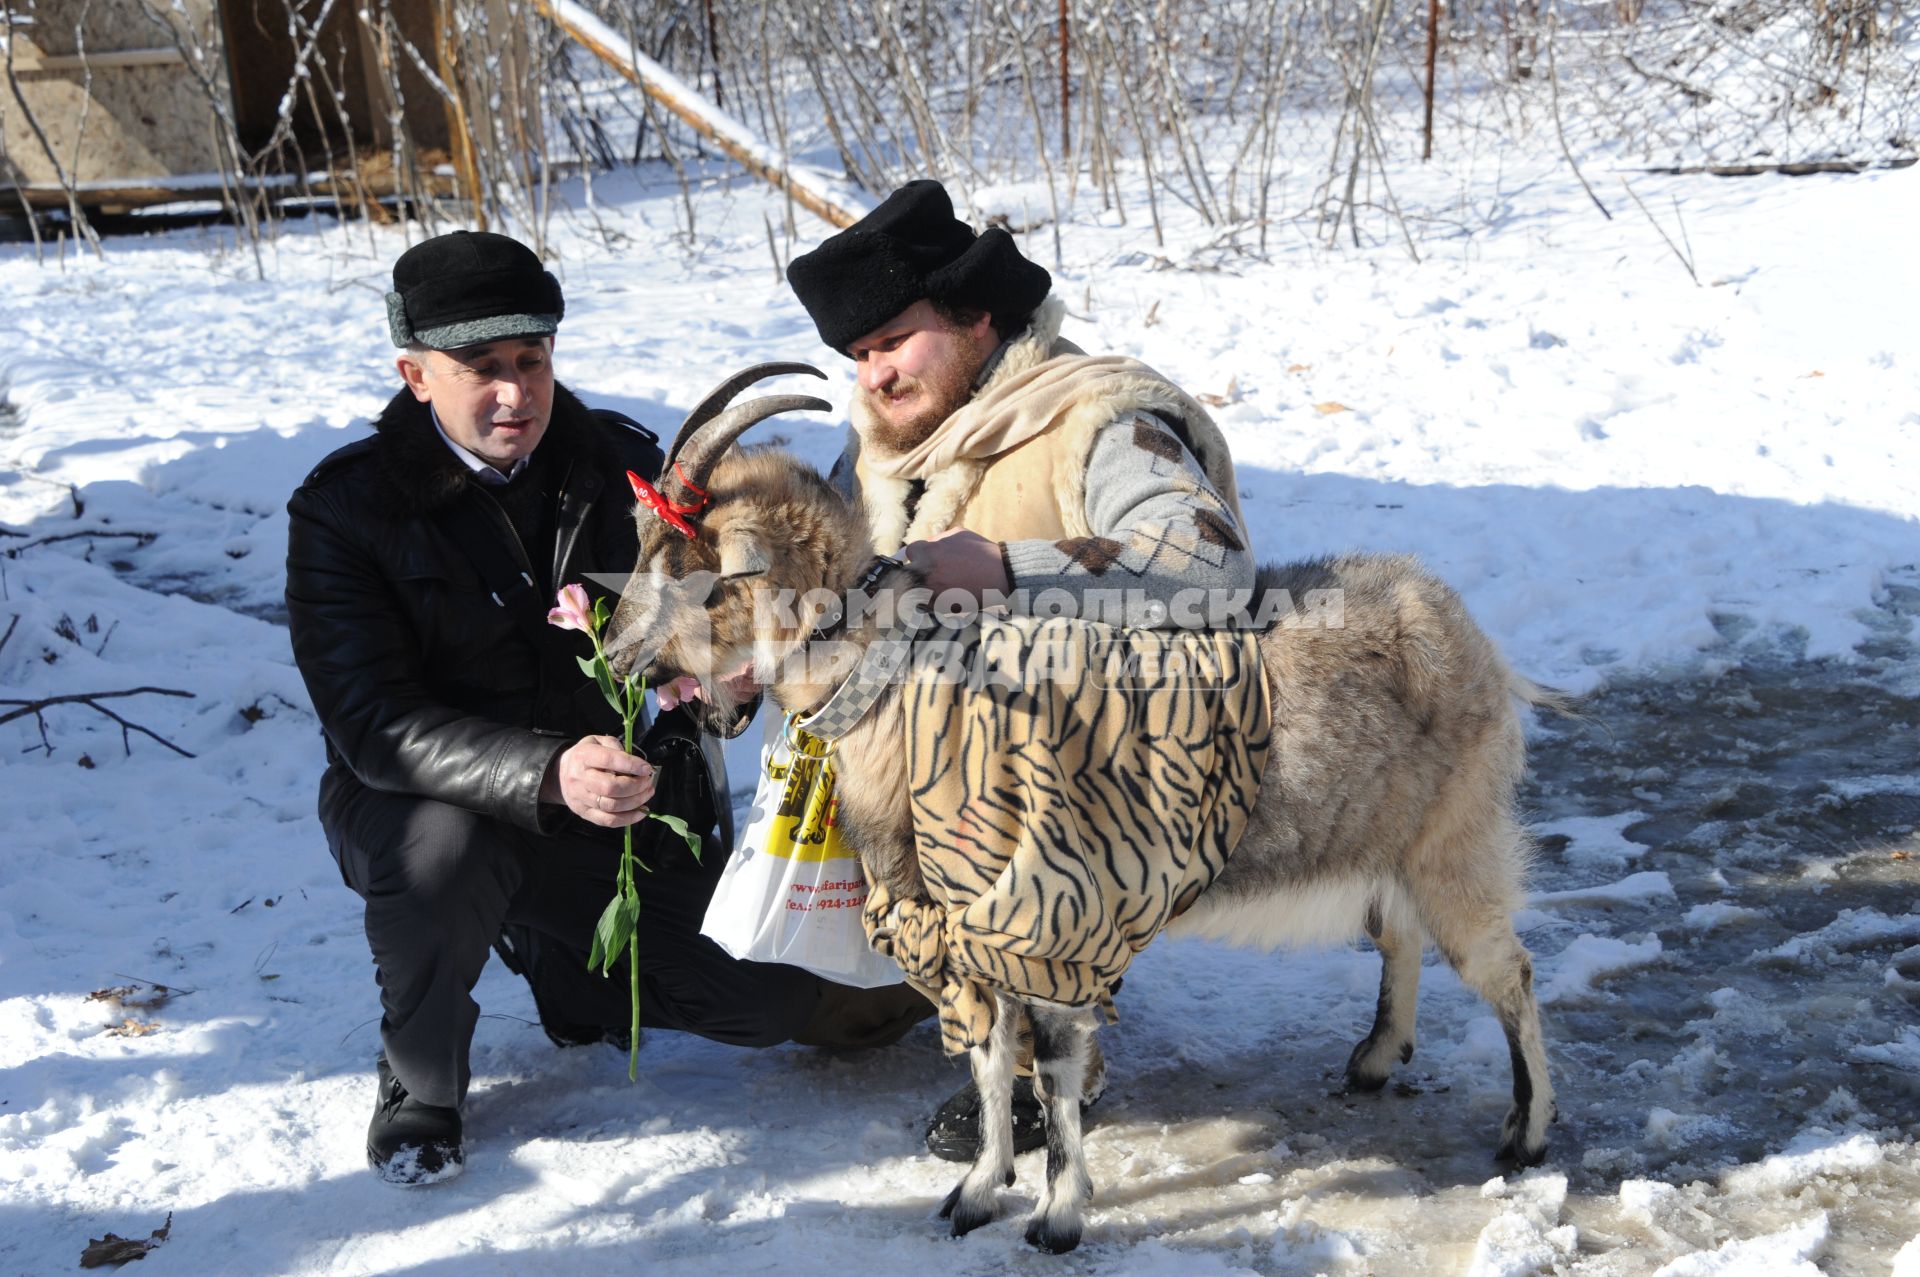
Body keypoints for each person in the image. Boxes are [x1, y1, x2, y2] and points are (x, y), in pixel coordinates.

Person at [285, 230, 927, 1185]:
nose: (515, 392)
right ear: (416, 374)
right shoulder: (345, 510)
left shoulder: (627, 471)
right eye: (481, 368)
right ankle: (422, 1076)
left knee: (765, 1002)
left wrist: (723, 688)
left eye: (530, 360)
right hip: (434, 804)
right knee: (447, 856)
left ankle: (565, 966)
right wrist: (548, 773)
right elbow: (374, 724)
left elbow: (699, 637)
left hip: (624, 813)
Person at [784, 180, 1260, 1160]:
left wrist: (1005, 567)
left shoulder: (1096, 414)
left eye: (894, 341)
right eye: (858, 355)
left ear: (975, 314)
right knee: (814, 999)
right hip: (926, 756)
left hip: (1104, 755)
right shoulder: (883, 445)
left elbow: (1209, 564)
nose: (874, 376)